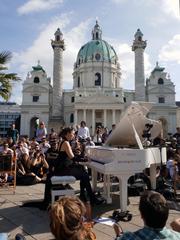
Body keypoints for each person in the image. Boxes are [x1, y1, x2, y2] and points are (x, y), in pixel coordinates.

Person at [43, 127, 103, 208]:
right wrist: (85, 159)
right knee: (84, 175)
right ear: (67, 134)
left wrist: (82, 158)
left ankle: (84, 195)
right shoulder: (66, 143)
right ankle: (92, 198)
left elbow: (70, 156)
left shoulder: (63, 141)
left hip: (62, 167)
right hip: (63, 169)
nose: (74, 135)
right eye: (73, 133)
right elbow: (72, 157)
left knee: (82, 170)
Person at [114, 191, 180, 240]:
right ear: (167, 214)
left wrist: (118, 235)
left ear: (142, 215)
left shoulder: (128, 237)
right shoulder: (177, 236)